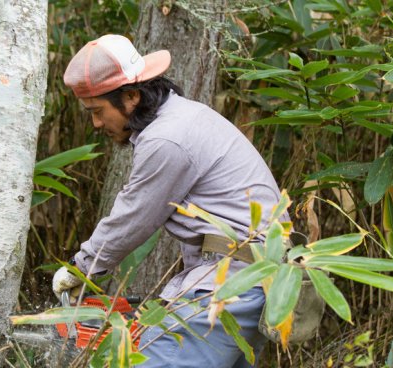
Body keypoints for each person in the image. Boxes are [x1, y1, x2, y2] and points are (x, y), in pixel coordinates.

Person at [52, 34, 288, 368]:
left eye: (98, 111)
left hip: (232, 281)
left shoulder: (167, 138)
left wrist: (82, 269)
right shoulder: (183, 117)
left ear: (131, 96)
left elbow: (133, 217)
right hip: (250, 278)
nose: (96, 123)